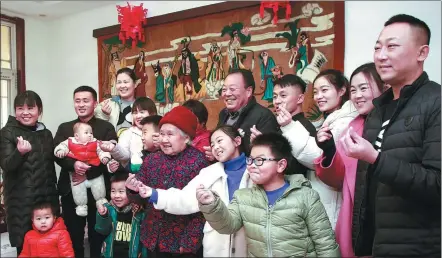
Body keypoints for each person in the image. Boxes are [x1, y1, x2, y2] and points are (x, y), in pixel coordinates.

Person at [342, 14, 441, 257]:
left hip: (418, 246)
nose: (381, 55)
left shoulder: (436, 102)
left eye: (392, 46)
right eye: (377, 47)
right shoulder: (378, 111)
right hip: (376, 245)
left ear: (422, 53)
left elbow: (437, 185)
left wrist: (376, 158)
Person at [197, 133, 340, 257]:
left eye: (259, 160)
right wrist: (211, 205)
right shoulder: (243, 197)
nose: (252, 165)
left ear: (281, 165)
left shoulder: (306, 196)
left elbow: (325, 244)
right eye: (250, 160)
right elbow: (227, 226)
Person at [136, 125, 253, 257]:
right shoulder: (210, 172)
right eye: (212, 144)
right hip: (217, 247)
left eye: (219, 141)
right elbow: (185, 198)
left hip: (249, 245)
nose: (216, 147)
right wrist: (154, 194)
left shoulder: (256, 171)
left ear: (237, 141)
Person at [313, 62, 384, 257]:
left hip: (386, 213)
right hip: (356, 214)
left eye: (364, 88)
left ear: (384, 87)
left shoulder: (394, 122)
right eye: (354, 90)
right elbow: (338, 179)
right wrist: (328, 150)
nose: (358, 95)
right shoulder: (353, 126)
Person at [125, 106, 209, 258]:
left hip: (181, 244)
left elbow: (202, 209)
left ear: (187, 137)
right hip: (153, 238)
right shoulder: (152, 159)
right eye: (162, 134)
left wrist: (190, 241)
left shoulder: (199, 162)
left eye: (170, 134)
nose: (164, 139)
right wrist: (132, 190)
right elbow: (142, 196)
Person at [54, 86, 117, 258]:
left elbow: (109, 155)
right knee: (74, 237)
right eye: (77, 101)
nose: (81, 104)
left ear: (95, 103)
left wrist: (86, 173)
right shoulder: (65, 128)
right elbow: (57, 154)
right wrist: (74, 166)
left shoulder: (105, 127)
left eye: (85, 100)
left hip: (99, 190)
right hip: (71, 189)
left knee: (99, 236)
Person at [0, 90, 59, 255]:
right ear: (15, 111)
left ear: (39, 111)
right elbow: (6, 164)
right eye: (20, 108)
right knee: (26, 247)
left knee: (50, 245)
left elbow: (51, 163)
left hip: (47, 198)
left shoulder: (45, 133)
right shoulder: (7, 133)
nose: (25, 113)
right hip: (21, 202)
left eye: (30, 108)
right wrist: (19, 153)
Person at [250, 74, 318, 176]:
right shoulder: (280, 125)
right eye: (274, 96)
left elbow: (294, 168)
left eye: (283, 96)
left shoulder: (305, 127)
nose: (277, 101)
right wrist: (261, 143)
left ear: (300, 99)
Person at [205, 69, 279, 158]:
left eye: (232, 89)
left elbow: (270, 156)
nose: (227, 93)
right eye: (224, 89)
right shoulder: (223, 114)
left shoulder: (264, 117)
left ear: (248, 91)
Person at [54, 122, 111, 216]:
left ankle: (100, 200)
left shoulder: (95, 142)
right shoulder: (69, 141)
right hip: (77, 174)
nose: (90, 135)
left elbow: (102, 150)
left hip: (94, 169)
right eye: (86, 133)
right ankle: (81, 206)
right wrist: (60, 151)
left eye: (91, 133)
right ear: (76, 136)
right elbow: (60, 147)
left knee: (99, 185)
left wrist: (105, 157)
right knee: (77, 188)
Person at [95, 172, 146, 258]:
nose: (116, 195)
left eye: (121, 191)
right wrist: (103, 216)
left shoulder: (138, 211)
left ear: (130, 192)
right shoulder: (108, 209)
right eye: (113, 191)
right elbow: (102, 230)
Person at [100, 97, 157, 171]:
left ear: (152, 113)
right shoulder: (127, 134)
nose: (138, 116)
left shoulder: (160, 129)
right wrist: (114, 148)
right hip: (135, 173)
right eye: (135, 113)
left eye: (142, 112)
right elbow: (124, 155)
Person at [95, 68, 138, 137]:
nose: (122, 86)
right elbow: (97, 128)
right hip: (113, 145)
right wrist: (105, 115)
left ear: (135, 84)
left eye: (126, 82)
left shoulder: (142, 105)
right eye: (119, 82)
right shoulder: (108, 103)